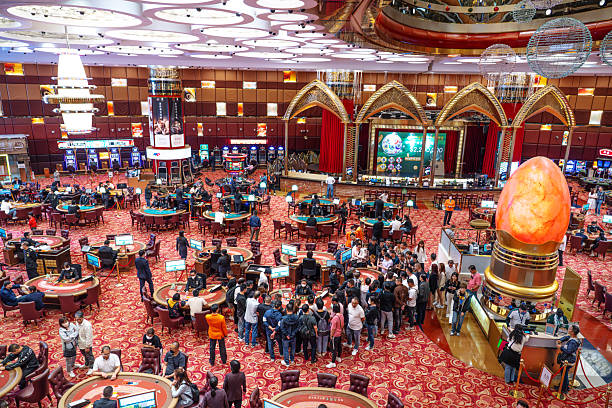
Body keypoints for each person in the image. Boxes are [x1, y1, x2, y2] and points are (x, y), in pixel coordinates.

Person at [556, 325, 581, 400]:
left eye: (570, 329)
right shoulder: (573, 337)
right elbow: (566, 337)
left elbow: (569, 351)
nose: (568, 329)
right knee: (564, 373)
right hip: (568, 359)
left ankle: (564, 388)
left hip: (568, 360)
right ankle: (563, 386)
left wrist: (560, 347)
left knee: (564, 374)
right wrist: (561, 340)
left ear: (572, 332)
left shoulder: (573, 342)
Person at [280, 301, 300, 366]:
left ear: (286, 309)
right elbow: (298, 327)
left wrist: (287, 335)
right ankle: (292, 360)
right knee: (293, 349)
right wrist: (293, 334)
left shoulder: (283, 318)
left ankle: (287, 362)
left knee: (285, 349)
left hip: (286, 337)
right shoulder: (296, 317)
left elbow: (282, 328)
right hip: (293, 336)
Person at [75, 311, 95, 375]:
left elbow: (89, 337)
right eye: (77, 319)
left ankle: (92, 367)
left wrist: (87, 346)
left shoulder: (87, 325)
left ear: (82, 317)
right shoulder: (77, 322)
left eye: (79, 319)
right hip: (80, 342)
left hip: (86, 344)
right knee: (84, 355)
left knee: (89, 355)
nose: (78, 321)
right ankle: (86, 364)